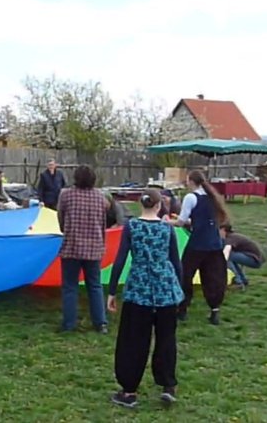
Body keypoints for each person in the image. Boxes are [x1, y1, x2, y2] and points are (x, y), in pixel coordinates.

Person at [106, 189, 184, 409]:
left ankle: (129, 391)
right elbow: (175, 261)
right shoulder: (167, 229)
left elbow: (120, 259)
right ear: (159, 206)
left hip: (138, 291)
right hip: (165, 290)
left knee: (133, 342)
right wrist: (179, 290)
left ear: (141, 204)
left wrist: (112, 291)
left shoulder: (132, 227)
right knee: (166, 339)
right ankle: (168, 386)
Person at [164, 171, 229, 325]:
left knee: (185, 275)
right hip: (214, 243)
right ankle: (214, 310)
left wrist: (166, 221)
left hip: (198, 244)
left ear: (192, 181)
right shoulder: (212, 197)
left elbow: (181, 222)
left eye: (187, 180)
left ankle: (183, 309)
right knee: (213, 277)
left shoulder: (191, 197)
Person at [56, 165, 109, 333]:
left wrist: (67, 230)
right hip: (94, 248)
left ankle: (69, 324)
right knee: (95, 286)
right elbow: (103, 222)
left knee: (70, 286)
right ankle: (100, 323)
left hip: (71, 246)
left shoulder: (66, 195)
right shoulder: (100, 198)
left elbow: (60, 218)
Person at [220, 223, 265, 289]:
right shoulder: (232, 236)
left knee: (228, 256)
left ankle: (237, 282)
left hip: (255, 259)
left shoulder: (231, 238)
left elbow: (226, 252)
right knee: (230, 257)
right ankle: (243, 280)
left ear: (223, 230)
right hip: (256, 258)